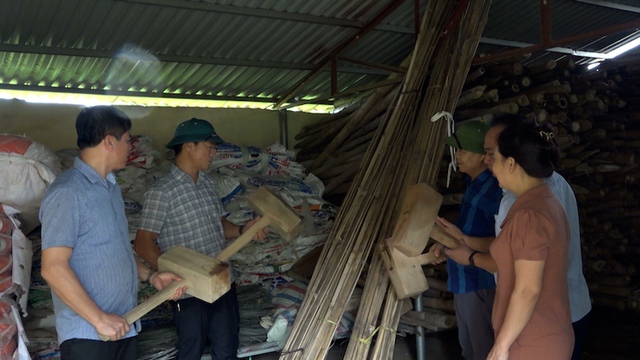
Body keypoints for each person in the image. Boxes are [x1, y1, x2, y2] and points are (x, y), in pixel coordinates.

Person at [39, 106, 185, 360]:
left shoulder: (111, 189)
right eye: (127, 140)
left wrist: (152, 277)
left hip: (122, 326)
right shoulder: (68, 193)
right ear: (109, 142)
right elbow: (53, 268)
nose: (130, 147)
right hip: (89, 335)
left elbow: (115, 250)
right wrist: (99, 319)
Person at [440, 116, 591, 359]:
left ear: (511, 162)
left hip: (532, 338)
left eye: (493, 155)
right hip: (548, 327)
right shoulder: (545, 197)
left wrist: (500, 346)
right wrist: (465, 241)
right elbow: (511, 250)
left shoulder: (528, 213)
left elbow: (527, 290)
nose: (489, 163)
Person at [134, 118, 267, 360]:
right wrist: (168, 274)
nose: (214, 152)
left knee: (227, 351)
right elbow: (143, 243)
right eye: (210, 146)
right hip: (188, 290)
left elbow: (220, 226)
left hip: (222, 282)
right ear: (189, 146)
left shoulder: (207, 184)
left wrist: (242, 230)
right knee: (191, 352)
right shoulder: (162, 192)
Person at [431, 120, 502, 360]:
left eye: (462, 149)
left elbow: (504, 241)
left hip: (480, 281)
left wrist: (465, 248)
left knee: (483, 351)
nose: (457, 155)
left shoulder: (494, 190)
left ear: (484, 156)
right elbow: (464, 231)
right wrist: (445, 242)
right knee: (470, 349)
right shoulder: (473, 184)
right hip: (463, 280)